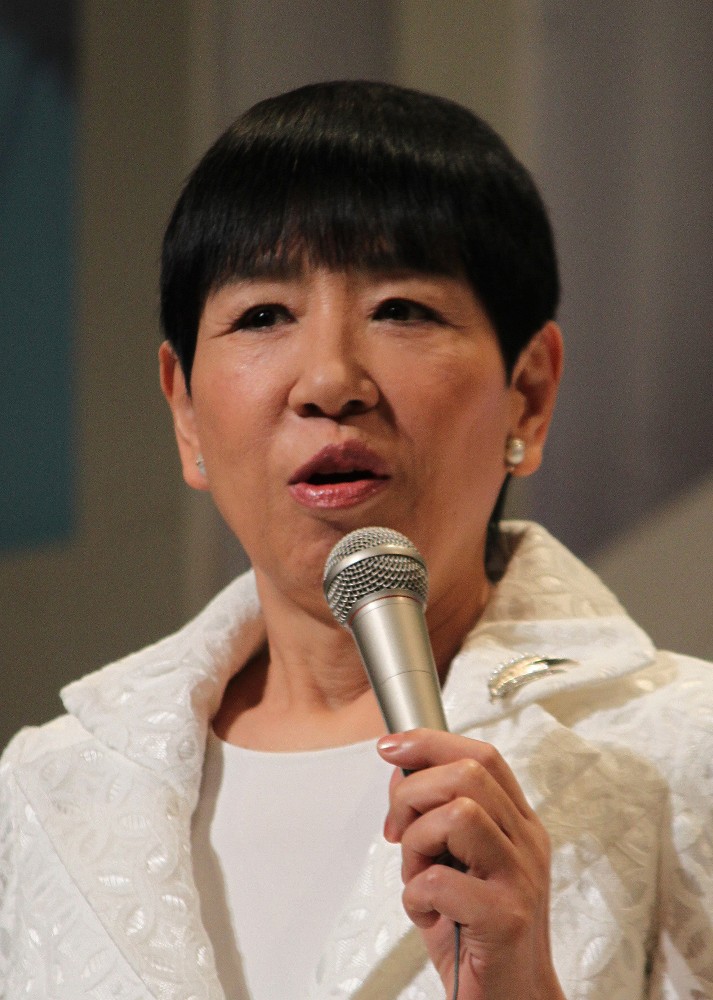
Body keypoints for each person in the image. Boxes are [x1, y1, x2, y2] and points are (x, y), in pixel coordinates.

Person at [1, 80, 711, 1000]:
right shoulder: (51, 784)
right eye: (262, 316)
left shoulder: (679, 748)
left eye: (401, 309)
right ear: (185, 413)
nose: (330, 381)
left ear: (528, 394)